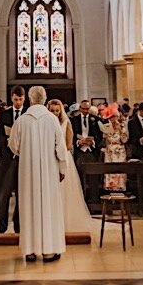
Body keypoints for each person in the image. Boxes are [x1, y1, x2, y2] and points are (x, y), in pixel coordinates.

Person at [10, 86, 68, 262]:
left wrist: (26, 154)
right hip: (49, 172)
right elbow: (61, 148)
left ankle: (30, 251)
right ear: (45, 98)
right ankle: (49, 250)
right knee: (48, 208)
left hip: (27, 173)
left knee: (29, 207)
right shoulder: (52, 119)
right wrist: (62, 169)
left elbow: (13, 145)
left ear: (29, 98)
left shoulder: (21, 120)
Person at [48, 99, 97, 234]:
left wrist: (59, 148)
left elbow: (69, 144)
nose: (55, 113)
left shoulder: (66, 122)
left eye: (57, 111)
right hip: (49, 158)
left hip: (63, 156)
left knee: (65, 189)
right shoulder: (46, 123)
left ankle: (67, 218)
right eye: (52, 110)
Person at [0, 87, 27, 234]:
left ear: (24, 99)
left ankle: (18, 224)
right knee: (4, 193)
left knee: (21, 193)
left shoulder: (27, 114)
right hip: (8, 158)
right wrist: (6, 142)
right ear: (11, 98)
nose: (18, 102)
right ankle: (2, 223)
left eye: (20, 99)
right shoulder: (5, 114)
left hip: (23, 157)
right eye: (15, 99)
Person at [70, 98, 104, 202]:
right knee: (80, 176)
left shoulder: (96, 119)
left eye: (87, 109)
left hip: (91, 151)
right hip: (80, 151)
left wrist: (92, 142)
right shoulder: (73, 120)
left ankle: (93, 200)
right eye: (84, 109)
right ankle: (81, 200)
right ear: (80, 108)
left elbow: (99, 136)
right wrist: (78, 142)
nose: (86, 111)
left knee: (93, 177)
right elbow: (71, 135)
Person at [100, 109, 128, 193]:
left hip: (119, 149)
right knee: (110, 171)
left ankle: (120, 189)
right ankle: (110, 190)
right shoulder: (106, 126)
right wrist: (105, 135)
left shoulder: (122, 126)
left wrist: (122, 131)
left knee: (119, 171)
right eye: (111, 117)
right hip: (110, 150)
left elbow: (124, 140)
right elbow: (104, 141)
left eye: (114, 117)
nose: (113, 119)